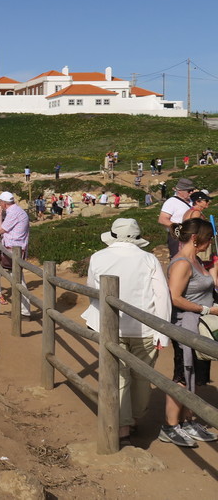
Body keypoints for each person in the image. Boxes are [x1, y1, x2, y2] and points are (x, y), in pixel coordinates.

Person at [81, 218, 171, 447]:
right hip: (146, 329)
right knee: (142, 376)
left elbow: (92, 292)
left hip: (112, 328)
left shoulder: (99, 257)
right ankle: (132, 419)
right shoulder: (149, 259)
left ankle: (122, 428)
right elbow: (162, 295)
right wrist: (163, 332)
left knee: (119, 377)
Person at [160, 218, 218, 447]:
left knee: (193, 372)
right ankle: (170, 426)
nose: (210, 242)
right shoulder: (182, 262)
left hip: (199, 325)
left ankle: (187, 420)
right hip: (187, 324)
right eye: (208, 238)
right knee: (182, 373)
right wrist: (207, 308)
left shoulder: (196, 260)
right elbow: (175, 297)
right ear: (195, 238)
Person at [0, 191, 31, 316]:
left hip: (13, 250)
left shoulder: (13, 213)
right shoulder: (14, 211)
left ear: (4, 203)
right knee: (13, 277)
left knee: (18, 279)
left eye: (0, 201)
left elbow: (0, 229)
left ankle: (24, 311)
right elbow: (0, 229)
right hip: (13, 249)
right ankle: (22, 309)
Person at [159, 177, 196, 257]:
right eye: (189, 191)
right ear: (180, 191)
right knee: (179, 259)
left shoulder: (192, 201)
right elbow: (162, 219)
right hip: (177, 236)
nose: (191, 192)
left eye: (192, 190)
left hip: (191, 236)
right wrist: (180, 227)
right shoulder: (171, 202)